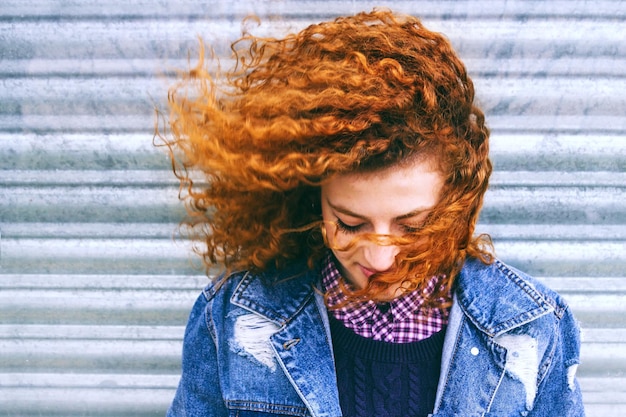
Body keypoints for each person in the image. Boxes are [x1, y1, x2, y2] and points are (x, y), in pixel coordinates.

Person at [161, 9, 585, 417]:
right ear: (311, 201)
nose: (380, 259)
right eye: (349, 223)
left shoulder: (531, 327)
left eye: (412, 226)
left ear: (455, 202)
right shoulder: (235, 317)